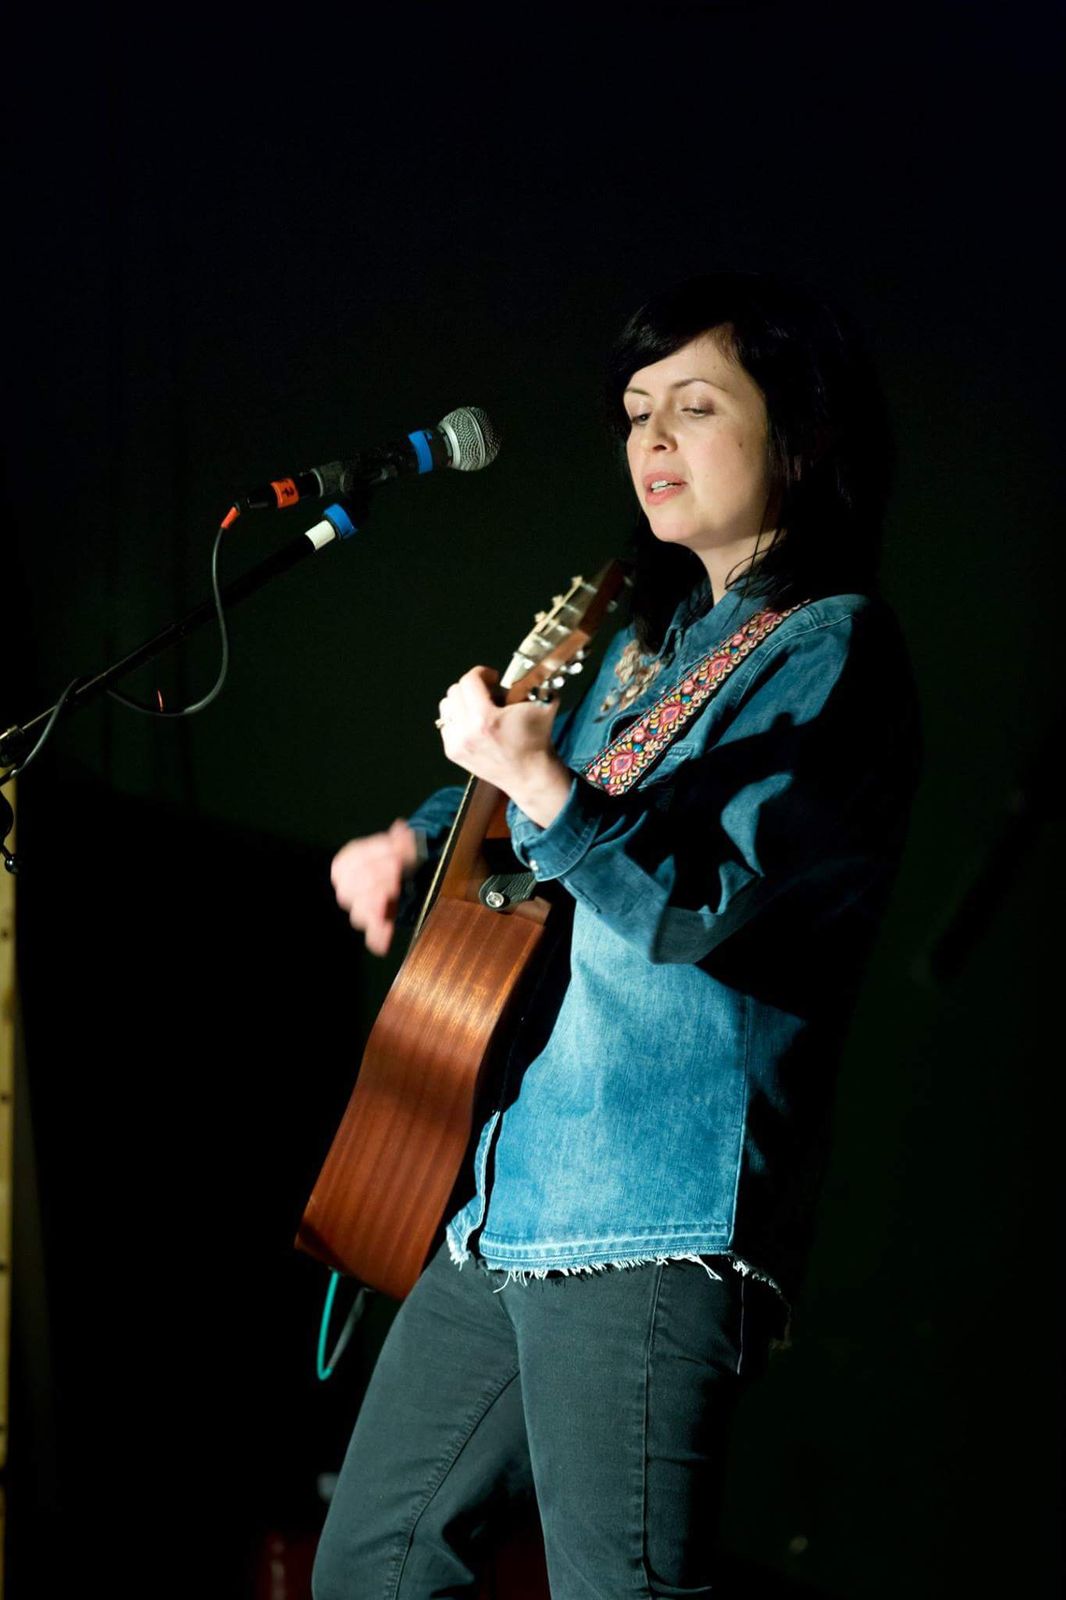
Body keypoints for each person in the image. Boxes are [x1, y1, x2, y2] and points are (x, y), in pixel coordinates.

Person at [313, 271, 920, 1599]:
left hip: (652, 1206)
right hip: (511, 1192)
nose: (651, 438)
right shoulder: (648, 640)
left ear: (803, 432)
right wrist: (415, 834)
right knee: (369, 1566)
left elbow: (701, 903)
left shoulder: (829, 648)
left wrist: (540, 785)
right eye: (636, 410)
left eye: (694, 406)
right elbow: (568, 788)